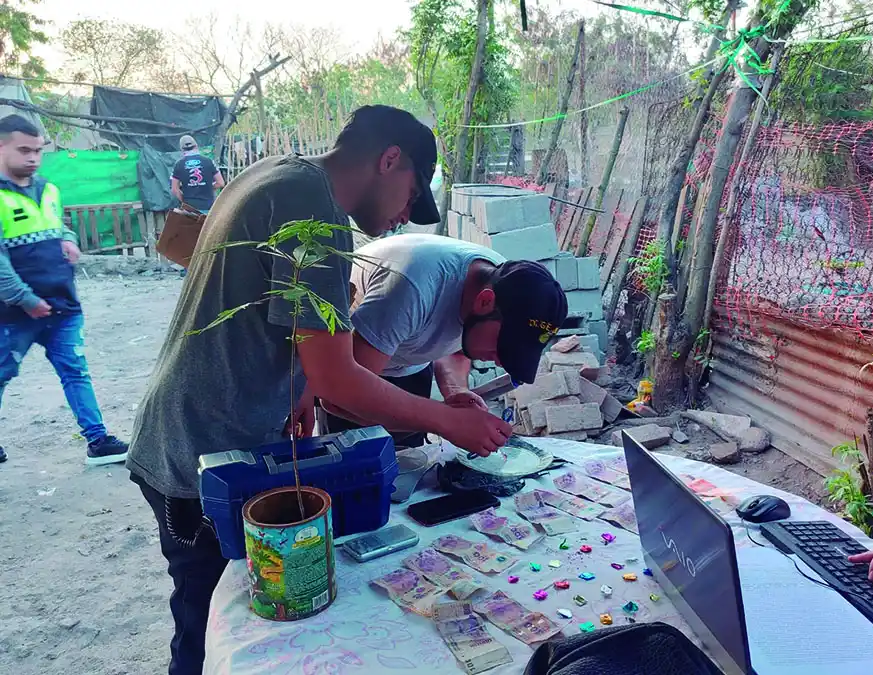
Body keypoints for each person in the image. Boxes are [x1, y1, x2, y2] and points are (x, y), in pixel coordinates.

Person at [126, 105, 512, 675]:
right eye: (410, 195)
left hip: (194, 428)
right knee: (209, 623)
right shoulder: (316, 212)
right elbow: (339, 381)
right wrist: (444, 419)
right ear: (389, 160)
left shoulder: (275, 174)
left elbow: (287, 332)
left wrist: (300, 382)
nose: (406, 214)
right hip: (201, 451)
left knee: (216, 612)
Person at [321, 233, 567, 447]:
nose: (502, 362)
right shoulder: (410, 288)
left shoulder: (499, 283)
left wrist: (455, 391)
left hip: (407, 360)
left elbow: (458, 345)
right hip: (351, 359)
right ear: (484, 302)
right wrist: (446, 421)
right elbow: (337, 398)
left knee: (408, 465)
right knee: (353, 470)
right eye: (504, 347)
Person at [0, 114, 129, 466]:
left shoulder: (48, 189)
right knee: (2, 373)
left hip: (63, 306)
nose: (33, 158)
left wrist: (69, 240)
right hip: (13, 314)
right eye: (23, 150)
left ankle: (98, 440)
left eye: (38, 151)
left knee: (75, 371)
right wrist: (25, 300)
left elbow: (60, 225)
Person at [170, 135, 224, 214]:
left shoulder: (178, 165)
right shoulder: (209, 161)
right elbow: (221, 183)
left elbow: (174, 189)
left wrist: (184, 200)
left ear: (181, 149)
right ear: (196, 146)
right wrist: (208, 188)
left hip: (189, 209)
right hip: (208, 208)